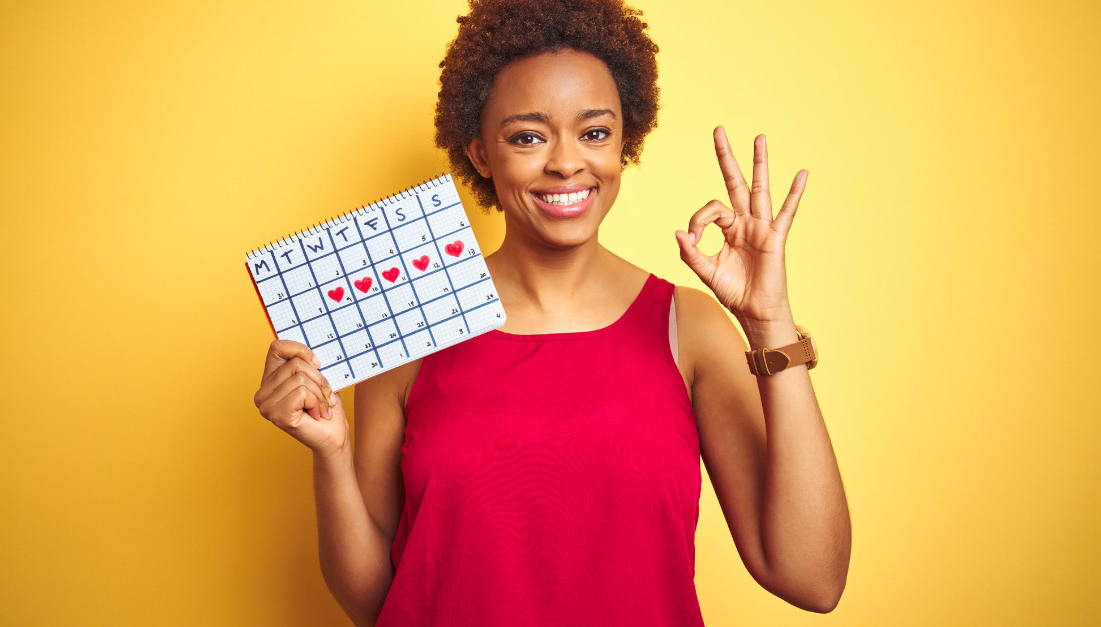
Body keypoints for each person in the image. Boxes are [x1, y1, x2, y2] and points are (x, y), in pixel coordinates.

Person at [252, 0, 851, 624]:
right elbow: (378, 602)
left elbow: (813, 579)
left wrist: (770, 321)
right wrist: (330, 453)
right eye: (528, 137)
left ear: (625, 142)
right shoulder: (412, 322)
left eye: (594, 133)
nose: (566, 162)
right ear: (480, 154)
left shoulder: (689, 329)